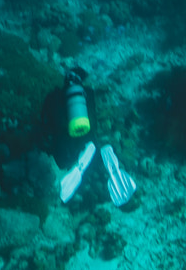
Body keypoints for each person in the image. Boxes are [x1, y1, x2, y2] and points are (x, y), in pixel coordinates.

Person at [48, 65, 137, 208]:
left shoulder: (55, 96)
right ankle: (102, 166)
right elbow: (94, 116)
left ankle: (79, 167)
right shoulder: (87, 92)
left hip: (66, 136)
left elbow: (51, 120)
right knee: (92, 153)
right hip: (88, 133)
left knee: (71, 158)